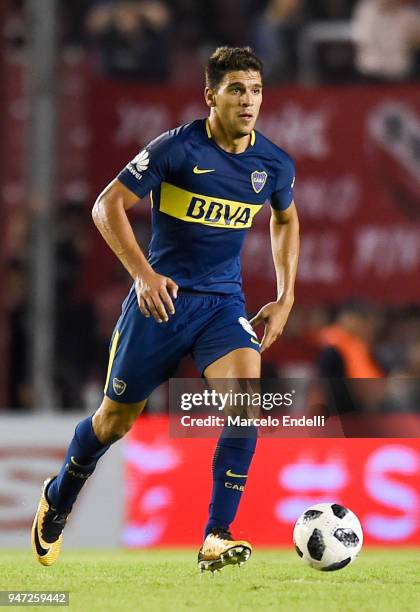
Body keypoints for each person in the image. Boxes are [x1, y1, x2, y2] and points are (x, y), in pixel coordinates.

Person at [31, 46, 299, 571]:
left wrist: (286, 294)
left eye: (257, 90)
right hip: (160, 305)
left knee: (246, 407)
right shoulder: (177, 149)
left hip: (223, 306)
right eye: (237, 90)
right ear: (211, 96)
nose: (249, 101)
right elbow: (106, 205)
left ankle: (216, 536)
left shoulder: (272, 163)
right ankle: (58, 496)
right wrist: (144, 275)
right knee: (113, 422)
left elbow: (285, 219)